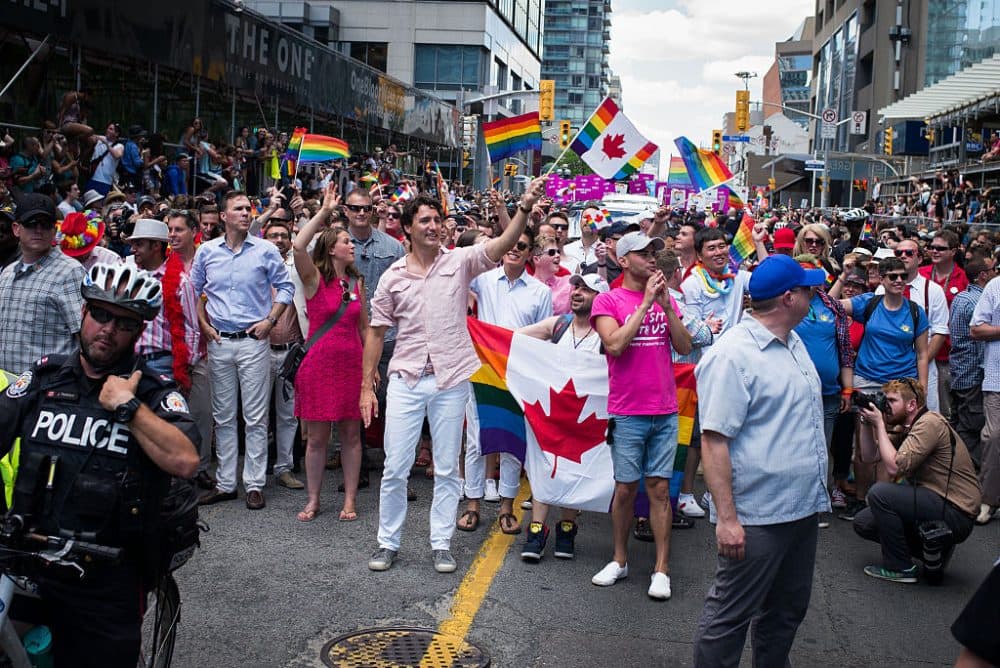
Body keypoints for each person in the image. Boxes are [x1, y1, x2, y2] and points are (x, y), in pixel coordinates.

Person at [0, 262, 199, 667]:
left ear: (139, 332)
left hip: (105, 581)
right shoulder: (45, 378)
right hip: (25, 560)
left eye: (123, 323)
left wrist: (129, 407)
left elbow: (185, 460)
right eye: (101, 314)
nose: (108, 329)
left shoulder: (152, 393)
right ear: (84, 314)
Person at [362, 179, 546, 575]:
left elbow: (498, 246)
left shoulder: (459, 260)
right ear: (408, 228)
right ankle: (387, 542)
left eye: (438, 220)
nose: (433, 226)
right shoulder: (392, 276)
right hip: (406, 380)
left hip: (451, 380)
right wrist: (366, 386)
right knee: (395, 466)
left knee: (448, 467)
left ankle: (440, 543)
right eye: (425, 220)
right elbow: (376, 331)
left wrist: (524, 209)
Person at [693, 254, 830, 667]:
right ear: (789, 298)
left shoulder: (793, 340)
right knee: (729, 617)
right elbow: (714, 442)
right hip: (757, 517)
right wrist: (728, 520)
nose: (814, 296)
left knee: (786, 612)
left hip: (801, 510)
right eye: (808, 290)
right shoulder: (731, 356)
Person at [589, 231, 693, 600]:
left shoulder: (667, 300)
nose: (652, 258)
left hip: (664, 410)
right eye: (643, 252)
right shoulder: (608, 300)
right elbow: (614, 345)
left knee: (661, 490)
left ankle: (661, 569)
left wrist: (665, 307)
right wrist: (646, 303)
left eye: (655, 252)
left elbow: (684, 345)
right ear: (623, 260)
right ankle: (619, 559)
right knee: (625, 488)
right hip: (628, 411)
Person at [191, 191, 294, 510]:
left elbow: (286, 287)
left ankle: (253, 483)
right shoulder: (207, 252)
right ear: (223, 216)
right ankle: (225, 482)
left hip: (254, 341)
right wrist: (204, 325)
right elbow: (193, 290)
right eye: (238, 209)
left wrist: (271, 320)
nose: (246, 214)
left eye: (248, 209)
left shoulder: (265, 250)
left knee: (255, 416)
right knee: (223, 416)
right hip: (219, 340)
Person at [460, 226, 552, 535]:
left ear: (530, 253)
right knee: (476, 440)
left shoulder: (541, 292)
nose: (514, 249)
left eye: (521, 245)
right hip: (482, 370)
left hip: (519, 375)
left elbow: (544, 340)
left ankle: (506, 507)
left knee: (513, 442)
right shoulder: (482, 281)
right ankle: (472, 504)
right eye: (510, 243)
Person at [517, 273, 609, 561]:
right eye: (576, 287)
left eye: (586, 289)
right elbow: (512, 340)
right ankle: (537, 528)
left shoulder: (607, 335)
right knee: (546, 467)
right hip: (553, 414)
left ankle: (567, 526)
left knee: (575, 471)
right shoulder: (558, 325)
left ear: (600, 298)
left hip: (586, 417)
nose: (577, 292)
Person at [852, 379, 981, 583]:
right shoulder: (906, 427)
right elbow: (870, 456)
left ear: (912, 405)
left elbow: (894, 466)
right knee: (864, 521)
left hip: (957, 510)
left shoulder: (929, 422)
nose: (886, 406)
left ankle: (901, 567)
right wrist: (867, 424)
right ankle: (934, 547)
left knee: (879, 493)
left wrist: (879, 423)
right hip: (936, 503)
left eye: (892, 401)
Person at [292, 184, 367, 522]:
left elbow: (365, 329)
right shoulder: (313, 280)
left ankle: (349, 500)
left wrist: (370, 371)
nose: (352, 245)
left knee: (351, 436)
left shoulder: (356, 284)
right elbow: (297, 246)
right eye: (347, 241)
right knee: (317, 438)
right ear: (332, 249)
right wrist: (323, 213)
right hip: (320, 365)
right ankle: (313, 499)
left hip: (351, 363)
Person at [838, 256, 930, 520]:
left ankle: (880, 502)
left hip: (900, 387)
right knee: (865, 443)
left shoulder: (915, 311)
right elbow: (829, 303)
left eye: (903, 276)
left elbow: (922, 354)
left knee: (890, 442)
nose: (899, 280)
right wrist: (843, 276)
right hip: (867, 380)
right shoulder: (869, 302)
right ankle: (861, 497)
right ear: (883, 278)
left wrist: (920, 392)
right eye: (893, 276)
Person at [0, 193, 86, 375]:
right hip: (7, 391)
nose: (38, 229)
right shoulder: (7, 273)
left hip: (47, 390)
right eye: (31, 223)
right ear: (16, 229)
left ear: (54, 230)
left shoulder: (70, 272)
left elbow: (85, 336)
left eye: (45, 224)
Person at [164, 209, 215, 490]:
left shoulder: (206, 261)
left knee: (203, 414)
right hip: (172, 351)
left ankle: (202, 467)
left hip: (205, 350)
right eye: (170, 229)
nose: (172, 235)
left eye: (178, 229)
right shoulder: (163, 264)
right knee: (172, 414)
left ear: (193, 231)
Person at [261, 217, 306, 492]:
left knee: (289, 414)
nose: (278, 240)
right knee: (257, 414)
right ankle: (255, 472)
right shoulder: (255, 267)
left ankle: (284, 468)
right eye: (273, 235)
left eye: (283, 236)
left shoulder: (297, 269)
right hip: (259, 349)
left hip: (291, 352)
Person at [948, 258, 994, 473]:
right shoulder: (977, 301)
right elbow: (977, 339)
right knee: (971, 427)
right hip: (972, 373)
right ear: (983, 275)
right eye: (993, 270)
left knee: (960, 424)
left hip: (958, 372)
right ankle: (962, 472)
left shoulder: (960, 297)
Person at [971, 272, 1000, 525]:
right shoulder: (995, 286)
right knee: (994, 436)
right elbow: (976, 329)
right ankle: (988, 499)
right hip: (997, 378)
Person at [85, 123, 124, 196]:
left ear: (116, 134)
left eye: (111, 129)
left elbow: (117, 155)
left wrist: (106, 143)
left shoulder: (119, 146)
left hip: (105, 181)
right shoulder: (100, 139)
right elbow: (90, 138)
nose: (108, 130)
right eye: (108, 128)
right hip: (93, 178)